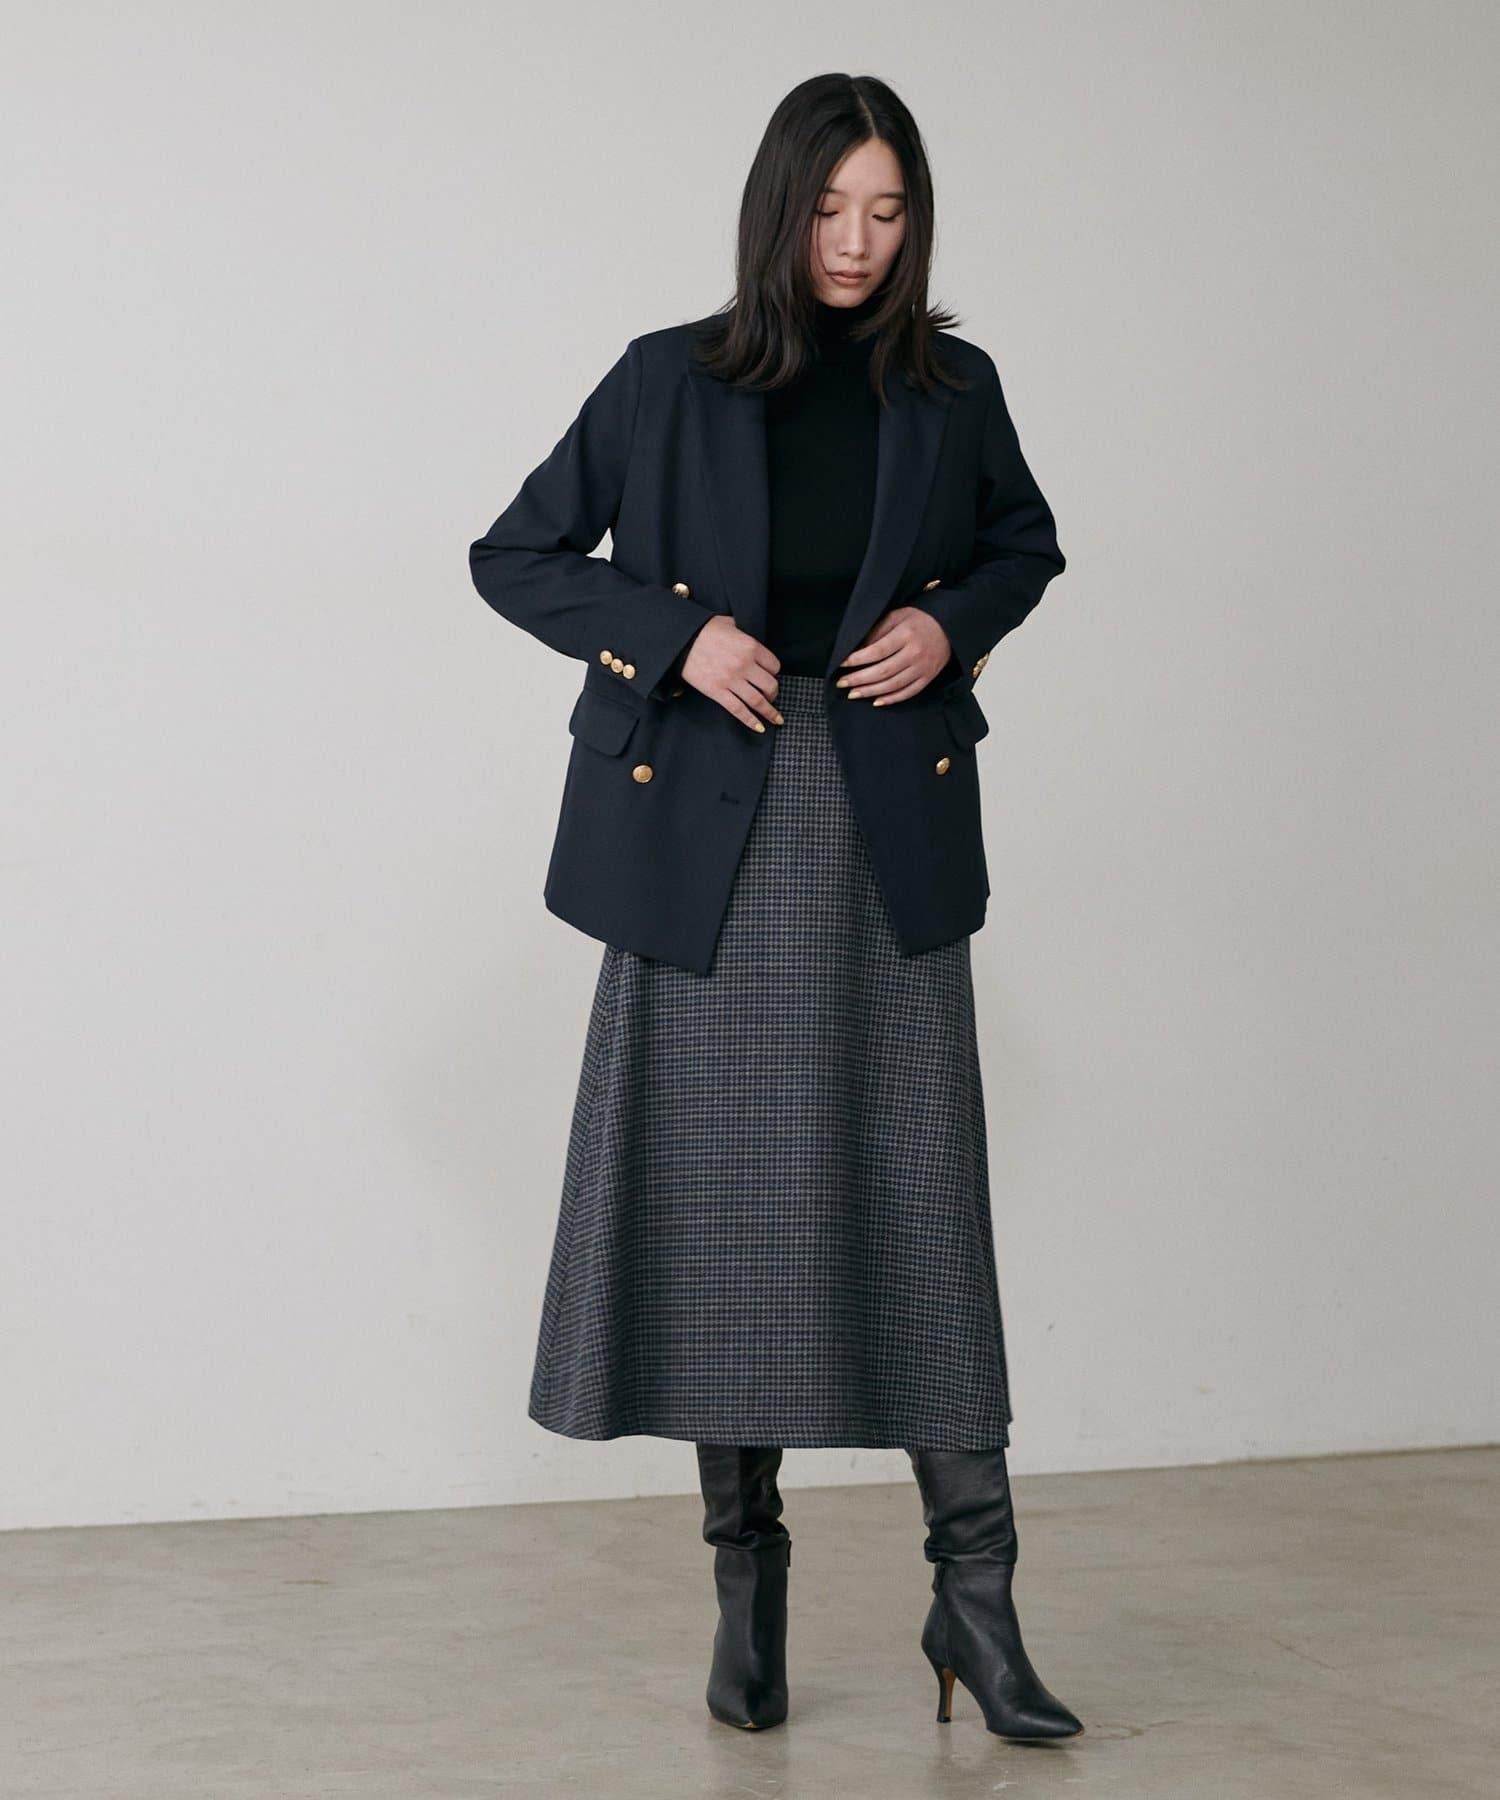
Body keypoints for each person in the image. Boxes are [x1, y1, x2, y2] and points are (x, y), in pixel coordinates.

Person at [467, 72, 1081, 1742]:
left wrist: (952, 624)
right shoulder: (668, 377)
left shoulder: (952, 387)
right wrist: (677, 639)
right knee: (719, 1223)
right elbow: (516, 553)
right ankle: (749, 1586)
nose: (858, 242)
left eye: (887, 211)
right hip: (706, 841)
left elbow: (1025, 545)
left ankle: (977, 1601)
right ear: (778, 208)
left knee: (922, 1201)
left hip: (884, 826)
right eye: (830, 208)